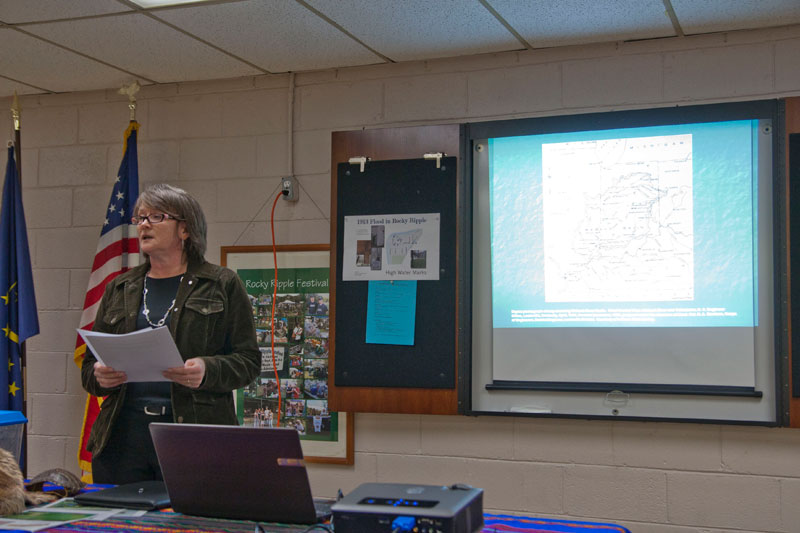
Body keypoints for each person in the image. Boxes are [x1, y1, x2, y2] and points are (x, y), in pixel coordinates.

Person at [80, 184, 260, 485]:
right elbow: (88, 368)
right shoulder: (119, 287)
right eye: (140, 218)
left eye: (156, 216)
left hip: (194, 435)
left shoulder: (221, 284)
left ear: (185, 229)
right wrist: (100, 375)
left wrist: (207, 369)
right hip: (123, 436)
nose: (144, 225)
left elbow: (249, 361)